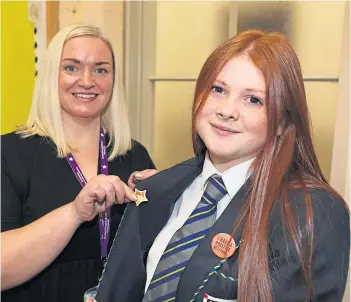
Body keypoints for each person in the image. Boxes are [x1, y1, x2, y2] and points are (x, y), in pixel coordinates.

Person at [94, 29, 350, 302]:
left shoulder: (311, 213)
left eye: (253, 99)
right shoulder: (156, 190)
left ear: (283, 123)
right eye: (218, 89)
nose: (227, 111)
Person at [1, 24, 156, 302]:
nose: (87, 80)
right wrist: (74, 213)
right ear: (51, 76)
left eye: (100, 69)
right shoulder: (9, 154)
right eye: (71, 67)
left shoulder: (134, 156)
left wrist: (162, 203)